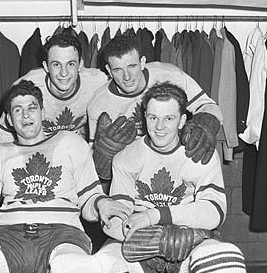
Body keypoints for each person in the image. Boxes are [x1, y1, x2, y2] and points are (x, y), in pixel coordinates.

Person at [0, 80, 137, 273]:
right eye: (18, 110)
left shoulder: (71, 142)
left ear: (42, 111)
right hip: (10, 236)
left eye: (31, 108)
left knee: (70, 268)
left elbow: (89, 197)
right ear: (9, 119)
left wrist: (101, 203)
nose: (26, 115)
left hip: (62, 232)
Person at [98, 81, 246, 273]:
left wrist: (155, 216)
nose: (160, 127)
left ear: (182, 120)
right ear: (144, 117)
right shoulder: (127, 155)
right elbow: (113, 219)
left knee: (227, 267)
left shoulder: (199, 152)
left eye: (169, 118)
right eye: (153, 117)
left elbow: (215, 211)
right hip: (138, 245)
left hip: (190, 241)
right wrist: (157, 237)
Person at [88, 33, 222, 182]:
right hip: (132, 171)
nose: (127, 76)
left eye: (132, 66)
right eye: (118, 70)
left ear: (143, 62)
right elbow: (95, 169)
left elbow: (208, 105)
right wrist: (104, 157)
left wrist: (205, 124)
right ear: (108, 69)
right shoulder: (98, 104)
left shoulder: (169, 75)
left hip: (173, 161)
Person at [0, 32, 108, 143]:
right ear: (46, 66)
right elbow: (3, 132)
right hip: (37, 148)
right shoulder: (27, 88)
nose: (64, 73)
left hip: (75, 149)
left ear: (80, 65)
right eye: (56, 65)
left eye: (71, 64)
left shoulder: (97, 82)